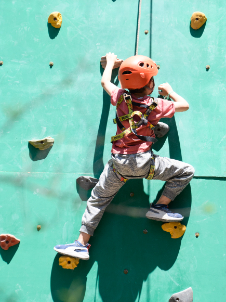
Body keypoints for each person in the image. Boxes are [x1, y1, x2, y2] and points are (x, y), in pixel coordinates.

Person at [54, 53, 195, 260]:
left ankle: (81, 244)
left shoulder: (120, 97)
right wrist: (170, 92)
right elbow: (185, 105)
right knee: (186, 171)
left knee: (98, 200)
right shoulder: (157, 104)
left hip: (118, 166)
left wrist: (110, 62)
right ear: (150, 84)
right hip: (145, 164)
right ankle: (159, 206)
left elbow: (104, 81)